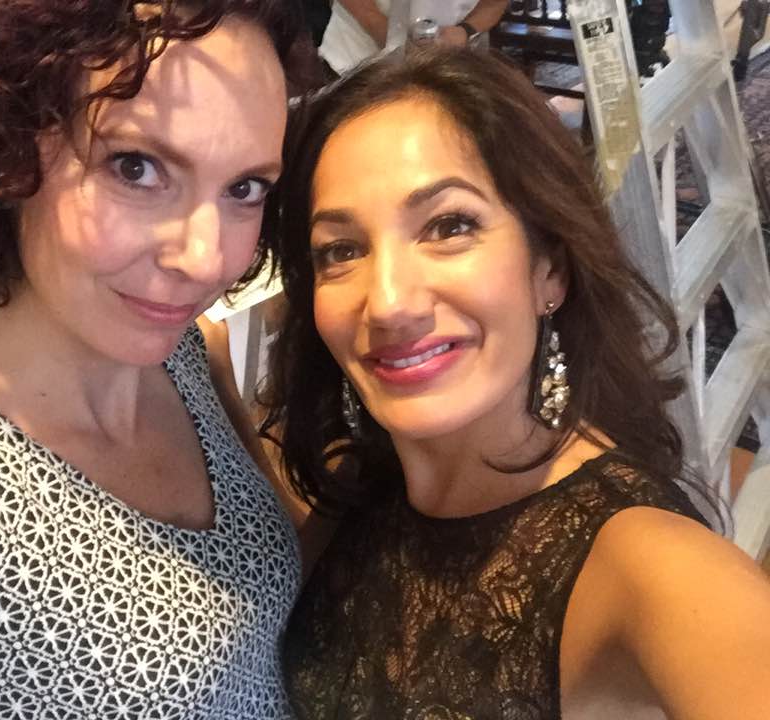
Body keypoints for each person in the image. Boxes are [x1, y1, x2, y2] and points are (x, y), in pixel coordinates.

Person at [0, 1, 307, 717]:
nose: (206, 259)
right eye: (136, 167)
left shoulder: (176, 355)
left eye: (244, 188)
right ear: (5, 145)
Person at [262, 48, 770, 719]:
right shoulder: (355, 486)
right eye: (342, 250)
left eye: (450, 226)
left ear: (549, 271)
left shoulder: (649, 565)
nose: (387, 303)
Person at [319, 0, 508, 77]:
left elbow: (495, 3)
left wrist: (466, 30)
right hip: (354, 59)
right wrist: (380, 28)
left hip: (450, 68)